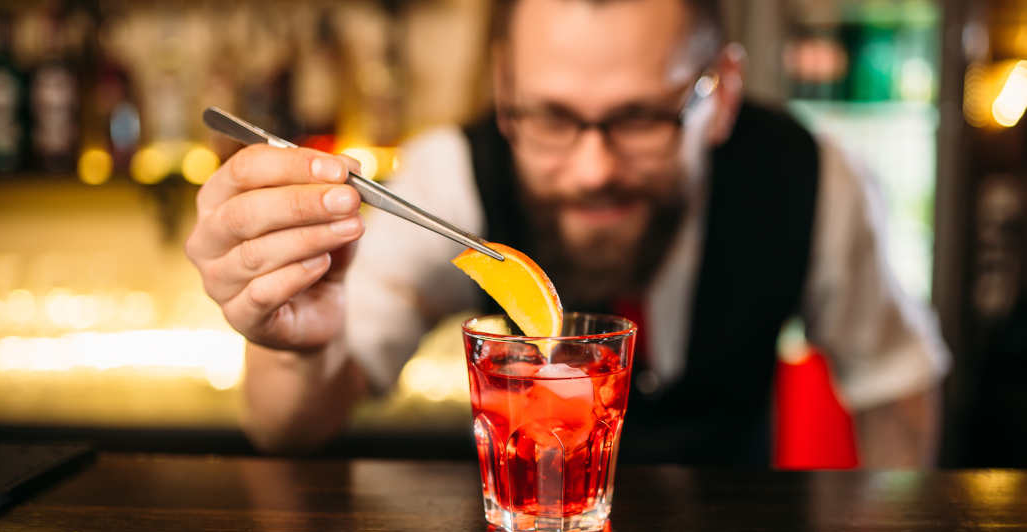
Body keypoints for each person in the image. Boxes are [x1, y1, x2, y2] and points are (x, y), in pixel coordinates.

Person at [185, 0, 949, 467]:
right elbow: (288, 428)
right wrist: (297, 343)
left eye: (641, 118)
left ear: (721, 95)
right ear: (503, 87)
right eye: (550, 116)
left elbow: (896, 392)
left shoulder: (812, 180)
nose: (591, 169)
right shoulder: (452, 175)